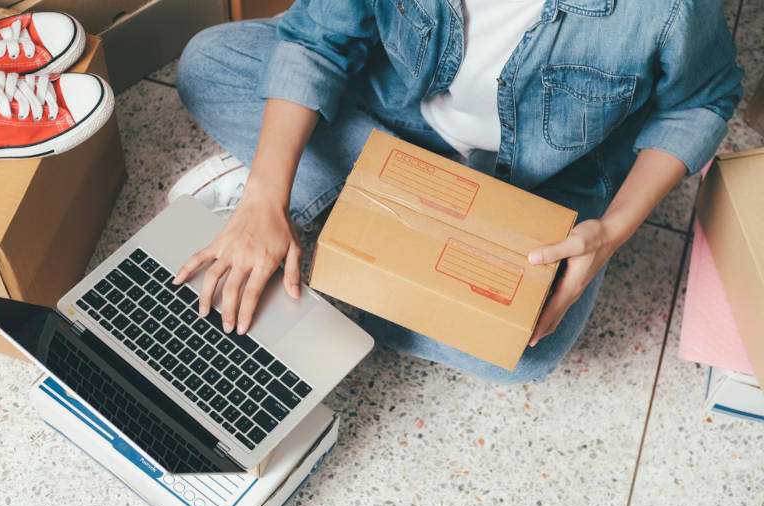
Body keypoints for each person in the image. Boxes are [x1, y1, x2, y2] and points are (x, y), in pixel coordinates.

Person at [171, 0, 743, 384]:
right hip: (394, 115)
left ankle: (343, 224)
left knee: (522, 353)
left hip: (537, 181)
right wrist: (264, 200)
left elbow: (699, 103)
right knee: (209, 63)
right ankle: (324, 215)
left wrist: (611, 232)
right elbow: (318, 39)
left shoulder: (666, 9)